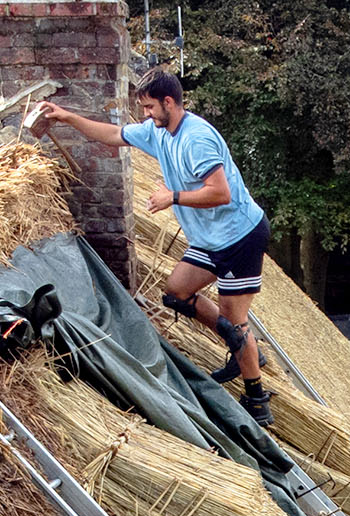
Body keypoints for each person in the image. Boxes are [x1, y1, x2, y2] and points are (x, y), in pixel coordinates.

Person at [33, 70, 276, 426]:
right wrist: (66, 117)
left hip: (240, 236)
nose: (145, 114)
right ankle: (237, 345)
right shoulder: (157, 132)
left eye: (149, 107)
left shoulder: (197, 139)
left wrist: (172, 197)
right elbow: (114, 135)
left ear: (168, 102)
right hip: (210, 240)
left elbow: (220, 192)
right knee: (177, 292)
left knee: (235, 319)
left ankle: (257, 398)